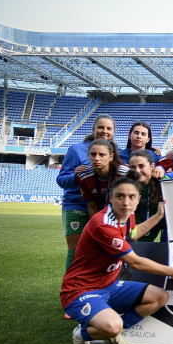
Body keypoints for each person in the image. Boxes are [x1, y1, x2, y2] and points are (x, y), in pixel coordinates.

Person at [61, 170, 173, 344]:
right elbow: (135, 262)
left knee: (159, 297)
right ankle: (81, 335)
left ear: (138, 199)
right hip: (80, 289)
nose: (126, 202)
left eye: (131, 197)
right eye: (120, 196)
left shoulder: (127, 215)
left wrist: (157, 216)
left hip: (109, 285)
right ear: (111, 198)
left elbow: (134, 233)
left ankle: (113, 331)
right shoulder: (103, 225)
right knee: (112, 325)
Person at [56, 114, 116, 271]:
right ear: (93, 129)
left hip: (103, 208)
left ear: (114, 132)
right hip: (77, 205)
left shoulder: (115, 152)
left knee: (104, 250)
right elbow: (61, 180)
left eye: (109, 128)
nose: (104, 131)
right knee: (76, 249)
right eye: (100, 127)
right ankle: (70, 288)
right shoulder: (76, 150)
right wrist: (76, 176)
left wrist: (153, 151)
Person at [76, 138, 131, 218]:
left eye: (102, 155)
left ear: (111, 157)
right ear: (88, 156)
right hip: (99, 217)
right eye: (93, 154)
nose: (97, 158)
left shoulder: (125, 174)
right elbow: (92, 207)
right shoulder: (83, 177)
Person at [128, 150, 165, 242]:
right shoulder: (128, 186)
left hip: (165, 228)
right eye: (133, 167)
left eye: (141, 166)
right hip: (140, 229)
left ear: (152, 166)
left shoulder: (164, 183)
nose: (137, 171)